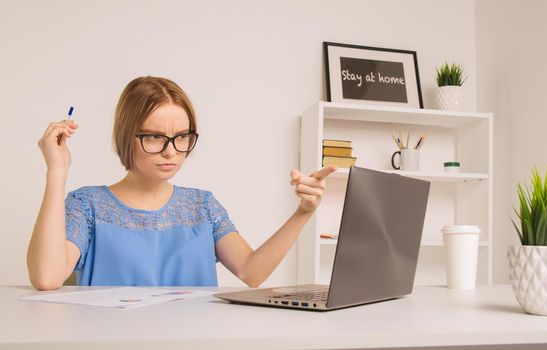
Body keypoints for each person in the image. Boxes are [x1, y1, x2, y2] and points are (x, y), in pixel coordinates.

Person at [27, 76, 336, 290]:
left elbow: (252, 272)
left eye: (182, 138)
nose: (171, 151)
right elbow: (46, 277)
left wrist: (304, 212)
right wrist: (57, 171)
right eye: (154, 137)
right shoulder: (87, 205)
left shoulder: (203, 206)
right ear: (126, 136)